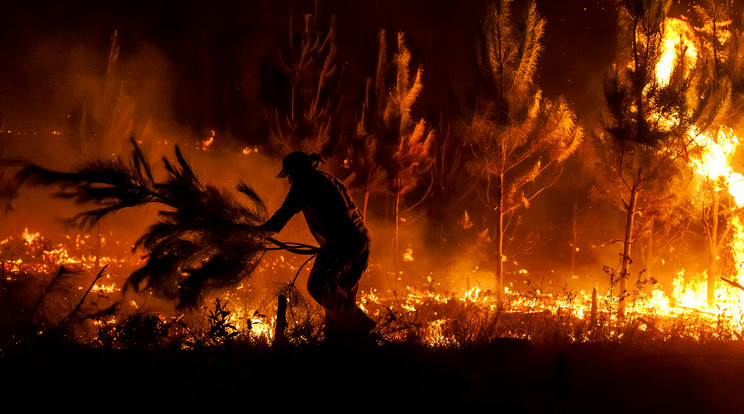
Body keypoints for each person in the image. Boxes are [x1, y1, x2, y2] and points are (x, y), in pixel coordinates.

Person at [262, 151, 374, 340]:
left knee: (318, 286)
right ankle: (347, 344)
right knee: (339, 293)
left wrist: (257, 232)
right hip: (360, 243)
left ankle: (360, 323)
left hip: (342, 243)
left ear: (297, 171)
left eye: (289, 175)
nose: (289, 180)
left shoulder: (305, 182)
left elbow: (282, 216)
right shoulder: (326, 179)